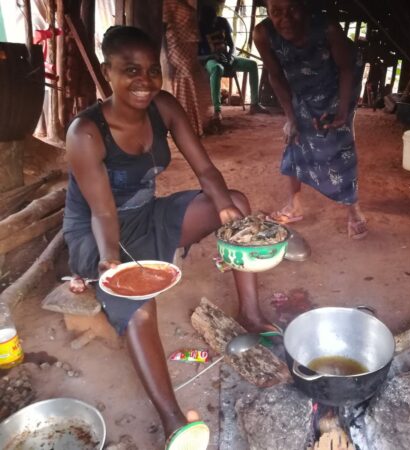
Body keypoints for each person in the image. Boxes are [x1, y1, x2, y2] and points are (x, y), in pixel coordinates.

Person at [63, 26, 273, 449]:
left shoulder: (163, 106)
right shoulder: (85, 133)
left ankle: (250, 315)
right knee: (139, 308)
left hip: (148, 217)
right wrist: (109, 262)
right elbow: (103, 212)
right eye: (130, 70)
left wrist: (226, 211)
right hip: (99, 234)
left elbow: (207, 170)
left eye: (151, 70)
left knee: (236, 201)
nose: (144, 81)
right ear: (108, 73)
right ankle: (173, 421)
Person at [253, 0, 368, 239]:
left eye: (292, 9)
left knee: (339, 141)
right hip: (302, 86)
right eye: (277, 13)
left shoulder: (328, 29)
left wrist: (343, 112)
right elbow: (275, 75)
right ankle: (294, 205)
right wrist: (290, 117)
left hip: (339, 83)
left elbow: (347, 69)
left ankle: (353, 210)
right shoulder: (263, 34)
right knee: (296, 136)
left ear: (305, 7)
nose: (285, 19)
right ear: (268, 12)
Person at [198, 4, 268, 126]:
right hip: (210, 60)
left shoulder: (223, 22)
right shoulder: (198, 27)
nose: (214, 23)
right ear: (204, 19)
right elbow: (196, 57)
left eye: (215, 19)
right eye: (210, 21)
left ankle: (254, 104)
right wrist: (212, 57)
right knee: (217, 68)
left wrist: (231, 55)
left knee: (252, 64)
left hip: (227, 57)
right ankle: (217, 111)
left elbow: (232, 44)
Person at [162, 0, 210, 136]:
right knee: (184, 83)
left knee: (194, 84)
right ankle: (180, 127)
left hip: (190, 48)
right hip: (176, 46)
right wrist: (167, 58)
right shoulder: (168, 3)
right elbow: (163, 30)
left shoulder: (188, 3)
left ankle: (193, 126)